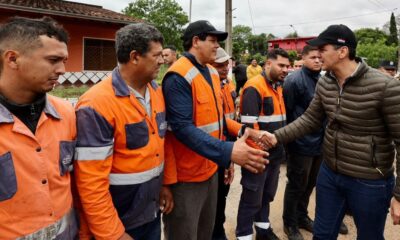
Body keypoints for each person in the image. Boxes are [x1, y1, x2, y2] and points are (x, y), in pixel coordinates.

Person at [263, 24, 400, 240]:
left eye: (323, 49)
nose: (317, 55)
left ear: (342, 52)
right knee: (323, 234)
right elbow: (309, 119)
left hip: (370, 181)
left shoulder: (385, 87)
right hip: (330, 174)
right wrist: (275, 136)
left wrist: (399, 195)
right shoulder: (325, 82)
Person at [162, 20, 269, 240]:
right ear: (195, 41)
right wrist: (228, 151)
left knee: (206, 232)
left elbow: (217, 120)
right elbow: (182, 128)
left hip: (210, 169)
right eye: (212, 40)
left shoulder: (211, 73)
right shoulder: (178, 76)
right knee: (184, 234)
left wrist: (244, 133)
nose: (217, 46)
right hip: (186, 178)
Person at [74, 23, 168, 240]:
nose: (162, 61)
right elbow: (90, 183)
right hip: (119, 222)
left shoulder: (156, 91)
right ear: (135, 57)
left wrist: (164, 186)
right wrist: (112, 234)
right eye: (157, 55)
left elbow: (159, 147)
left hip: (150, 213)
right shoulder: (96, 104)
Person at [0, 16, 77, 239]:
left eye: (64, 60)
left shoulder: (66, 113)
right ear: (13, 59)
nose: (63, 69)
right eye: (53, 60)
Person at [282, 45, 348, 240]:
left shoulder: (323, 80)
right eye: (313, 57)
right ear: (303, 58)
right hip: (300, 145)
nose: (318, 61)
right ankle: (290, 223)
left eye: (320, 57)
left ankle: (302, 217)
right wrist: (289, 144)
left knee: (311, 184)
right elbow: (288, 113)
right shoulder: (293, 81)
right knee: (296, 184)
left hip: (320, 144)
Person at [236, 48, 290, 240]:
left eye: (288, 66)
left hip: (275, 155)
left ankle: (263, 229)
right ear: (268, 64)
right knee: (252, 198)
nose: (286, 69)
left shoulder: (278, 86)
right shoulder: (254, 87)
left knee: (267, 195)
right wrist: (258, 156)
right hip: (257, 156)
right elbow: (250, 129)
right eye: (281, 65)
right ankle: (243, 234)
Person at [210, 47, 237, 240]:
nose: (224, 68)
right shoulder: (210, 88)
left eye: (226, 64)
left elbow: (228, 118)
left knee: (223, 195)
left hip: (227, 148)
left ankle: (218, 230)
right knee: (213, 199)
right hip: (212, 150)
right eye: (219, 65)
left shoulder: (228, 85)